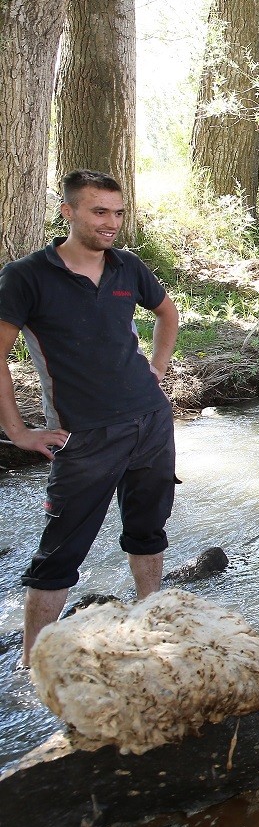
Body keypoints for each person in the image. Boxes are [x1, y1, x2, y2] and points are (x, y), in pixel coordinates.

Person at [0, 170, 179, 667]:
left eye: (118, 213)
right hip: (84, 436)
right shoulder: (26, 276)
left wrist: (157, 370)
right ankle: (34, 664)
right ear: (69, 212)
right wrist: (16, 431)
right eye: (100, 211)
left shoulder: (127, 267)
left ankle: (150, 619)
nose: (112, 223)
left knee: (148, 527)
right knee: (59, 554)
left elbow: (167, 313)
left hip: (150, 422)